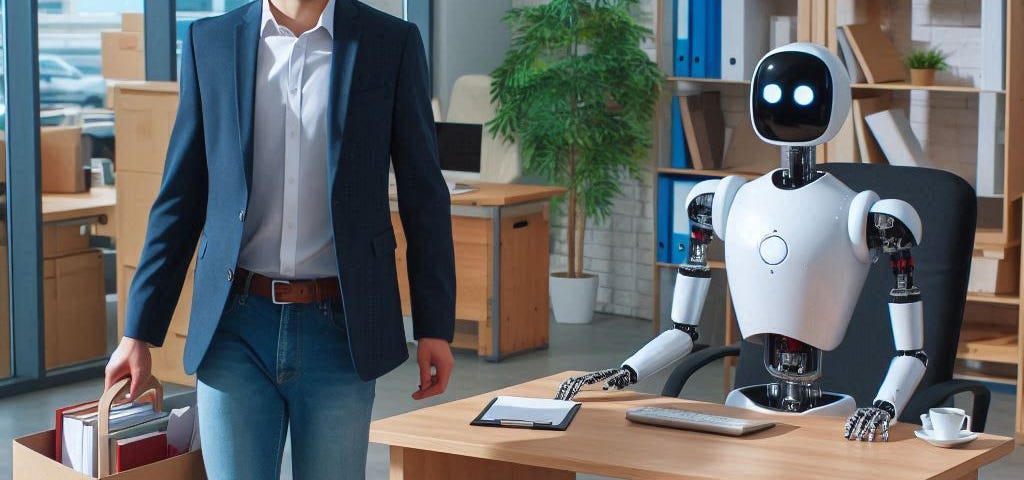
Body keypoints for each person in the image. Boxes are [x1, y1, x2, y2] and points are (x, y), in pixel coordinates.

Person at [103, 1, 456, 478]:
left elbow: (424, 193)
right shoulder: (211, 40)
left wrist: (434, 325)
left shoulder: (389, 42)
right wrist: (138, 331)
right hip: (235, 327)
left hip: (341, 330)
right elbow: (181, 194)